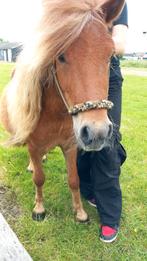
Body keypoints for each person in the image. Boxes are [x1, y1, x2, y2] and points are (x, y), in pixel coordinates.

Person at [77, 3, 128, 243]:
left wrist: (86, 38)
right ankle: (88, 189)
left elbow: (120, 44)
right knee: (80, 139)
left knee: (107, 143)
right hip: (78, 70)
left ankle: (110, 215)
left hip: (107, 73)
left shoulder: (115, 4)